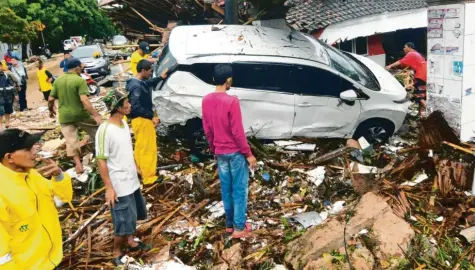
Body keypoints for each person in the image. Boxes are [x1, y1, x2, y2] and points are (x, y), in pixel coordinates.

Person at [0, 128, 73, 269]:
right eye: (27, 149)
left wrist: (59, 176)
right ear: (9, 157)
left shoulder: (32, 176)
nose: (35, 152)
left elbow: (61, 199)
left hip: (51, 260)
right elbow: (2, 255)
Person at [202, 64, 257, 238]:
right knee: (239, 190)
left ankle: (229, 224)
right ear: (228, 81)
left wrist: (214, 148)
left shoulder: (206, 100)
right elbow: (237, 132)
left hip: (220, 152)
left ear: (213, 80)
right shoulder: (232, 101)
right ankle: (239, 228)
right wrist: (248, 154)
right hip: (235, 153)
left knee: (226, 189)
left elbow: (207, 129)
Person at [96, 90, 150, 266]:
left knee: (133, 215)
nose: (130, 105)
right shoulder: (105, 130)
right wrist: (109, 188)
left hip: (131, 180)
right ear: (118, 107)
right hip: (119, 184)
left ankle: (131, 241)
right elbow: (102, 160)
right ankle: (116, 251)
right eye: (126, 102)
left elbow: (127, 148)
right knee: (122, 220)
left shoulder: (124, 124)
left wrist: (135, 166)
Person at [48, 58, 103, 174]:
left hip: (64, 116)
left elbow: (51, 98)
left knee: (71, 141)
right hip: (80, 115)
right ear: (77, 68)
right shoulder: (79, 80)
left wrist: (51, 110)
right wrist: (95, 115)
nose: (82, 69)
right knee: (97, 132)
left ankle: (78, 165)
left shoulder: (58, 80)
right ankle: (101, 157)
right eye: (81, 67)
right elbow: (84, 100)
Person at [126, 59, 167, 185]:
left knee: (140, 148)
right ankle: (149, 177)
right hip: (143, 121)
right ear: (143, 71)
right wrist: (151, 116)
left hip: (138, 121)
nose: (151, 73)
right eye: (149, 71)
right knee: (148, 149)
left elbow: (147, 83)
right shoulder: (136, 87)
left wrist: (159, 78)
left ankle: (139, 170)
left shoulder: (135, 82)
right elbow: (135, 106)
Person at [386, 42, 427, 117]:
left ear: (410, 47)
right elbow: (408, 66)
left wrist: (390, 66)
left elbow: (400, 61)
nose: (403, 48)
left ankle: (431, 111)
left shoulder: (411, 54)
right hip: (425, 75)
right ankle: (420, 114)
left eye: (405, 47)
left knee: (418, 96)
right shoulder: (417, 54)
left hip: (421, 76)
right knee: (422, 95)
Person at [0, 64, 19, 130]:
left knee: (7, 110)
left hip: (8, 95)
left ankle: (7, 124)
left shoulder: (6, 75)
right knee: (1, 110)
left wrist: (15, 94)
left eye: (0, 66)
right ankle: (0, 126)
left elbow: (12, 85)